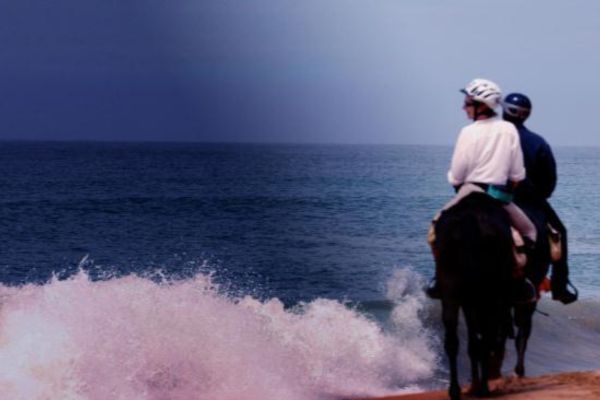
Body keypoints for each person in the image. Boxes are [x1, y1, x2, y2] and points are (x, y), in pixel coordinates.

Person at [427, 78, 537, 300]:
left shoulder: (467, 132)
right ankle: (521, 281)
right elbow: (517, 173)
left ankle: (439, 279)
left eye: (467, 103)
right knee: (530, 233)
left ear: (481, 105)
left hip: (469, 190)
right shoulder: (508, 129)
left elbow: (456, 175)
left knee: (435, 229)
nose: (463, 107)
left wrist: (459, 183)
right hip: (499, 195)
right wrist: (510, 186)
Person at [502, 93, 578, 304]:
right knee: (560, 232)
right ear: (527, 115)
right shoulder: (537, 142)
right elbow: (549, 182)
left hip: (491, 196)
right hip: (528, 201)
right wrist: (539, 196)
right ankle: (560, 286)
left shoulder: (491, 137)